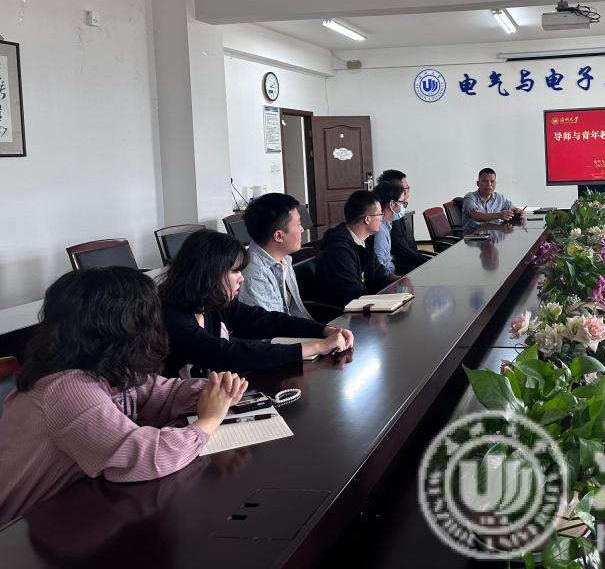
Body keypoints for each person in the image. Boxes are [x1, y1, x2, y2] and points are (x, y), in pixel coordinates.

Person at [0, 267, 248, 525]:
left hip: (67, 512)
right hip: (15, 532)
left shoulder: (105, 367)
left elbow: (161, 393)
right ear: (120, 327)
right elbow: (145, 457)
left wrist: (214, 392)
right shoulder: (67, 389)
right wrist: (208, 421)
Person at [160, 230, 352, 378]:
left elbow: (268, 321)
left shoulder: (212, 304)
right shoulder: (170, 316)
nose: (242, 278)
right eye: (235, 271)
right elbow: (227, 354)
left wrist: (323, 330)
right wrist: (317, 347)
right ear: (209, 273)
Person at [239, 192, 311, 319]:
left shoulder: (283, 259)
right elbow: (273, 327)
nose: (302, 229)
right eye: (298, 224)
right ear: (278, 236)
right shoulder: (254, 275)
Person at [316, 189, 392, 308]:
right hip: (345, 312)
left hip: (365, 305)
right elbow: (351, 293)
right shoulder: (338, 250)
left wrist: (400, 287)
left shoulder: (366, 241)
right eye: (380, 214)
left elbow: (379, 275)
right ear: (367, 219)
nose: (382, 218)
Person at [376, 169, 429, 274]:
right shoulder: (383, 227)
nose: (406, 195)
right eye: (405, 189)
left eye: (407, 189)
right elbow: (402, 253)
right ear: (392, 204)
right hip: (403, 271)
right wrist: (429, 262)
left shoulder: (389, 222)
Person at [371, 180, 406, 281]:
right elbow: (382, 272)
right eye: (402, 202)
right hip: (388, 283)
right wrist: (402, 280)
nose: (403, 206)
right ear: (392, 204)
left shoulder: (386, 226)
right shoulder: (380, 231)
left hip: (394, 275)